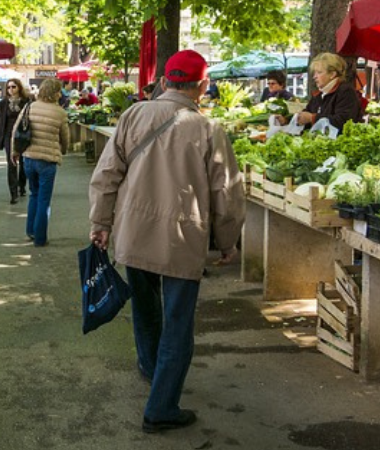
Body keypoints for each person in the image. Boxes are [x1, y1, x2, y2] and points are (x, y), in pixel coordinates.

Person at [88, 50, 246, 434]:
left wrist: (100, 222)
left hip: (134, 232)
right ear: (203, 86)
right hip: (181, 239)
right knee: (178, 323)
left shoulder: (132, 115)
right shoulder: (209, 130)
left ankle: (150, 366)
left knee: (145, 309)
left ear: (163, 82)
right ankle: (161, 407)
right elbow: (227, 194)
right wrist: (227, 242)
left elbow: (107, 173)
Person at [12, 79, 69, 247]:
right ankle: (40, 238)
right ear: (56, 92)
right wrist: (63, 150)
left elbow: (16, 130)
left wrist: (15, 152)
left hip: (29, 158)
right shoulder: (60, 112)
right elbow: (65, 138)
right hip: (47, 161)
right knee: (44, 199)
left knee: (34, 195)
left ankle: (30, 230)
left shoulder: (30, 107)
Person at [276, 53, 362, 130]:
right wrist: (286, 120)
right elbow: (306, 113)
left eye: (319, 72)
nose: (314, 77)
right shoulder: (320, 94)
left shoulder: (346, 92)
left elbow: (343, 121)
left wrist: (312, 118)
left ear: (332, 74)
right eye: (314, 73)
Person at [0, 78, 31, 204]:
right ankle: (13, 193)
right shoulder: (3, 103)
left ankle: (22, 185)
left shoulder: (26, 102)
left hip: (23, 135)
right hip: (9, 136)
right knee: (11, 163)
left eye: (13, 87)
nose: (11, 90)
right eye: (8, 87)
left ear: (19, 87)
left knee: (24, 163)